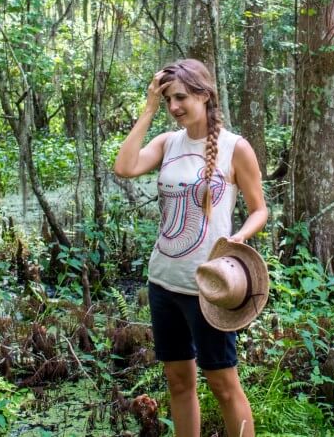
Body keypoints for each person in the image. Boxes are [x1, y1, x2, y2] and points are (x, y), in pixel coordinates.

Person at [113, 59, 268, 437]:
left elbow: (259, 209)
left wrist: (240, 237)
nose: (174, 107)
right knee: (179, 383)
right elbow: (125, 166)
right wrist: (148, 108)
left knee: (224, 386)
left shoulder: (236, 148)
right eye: (167, 99)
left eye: (180, 97)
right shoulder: (168, 143)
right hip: (164, 282)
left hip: (210, 288)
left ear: (204, 94)